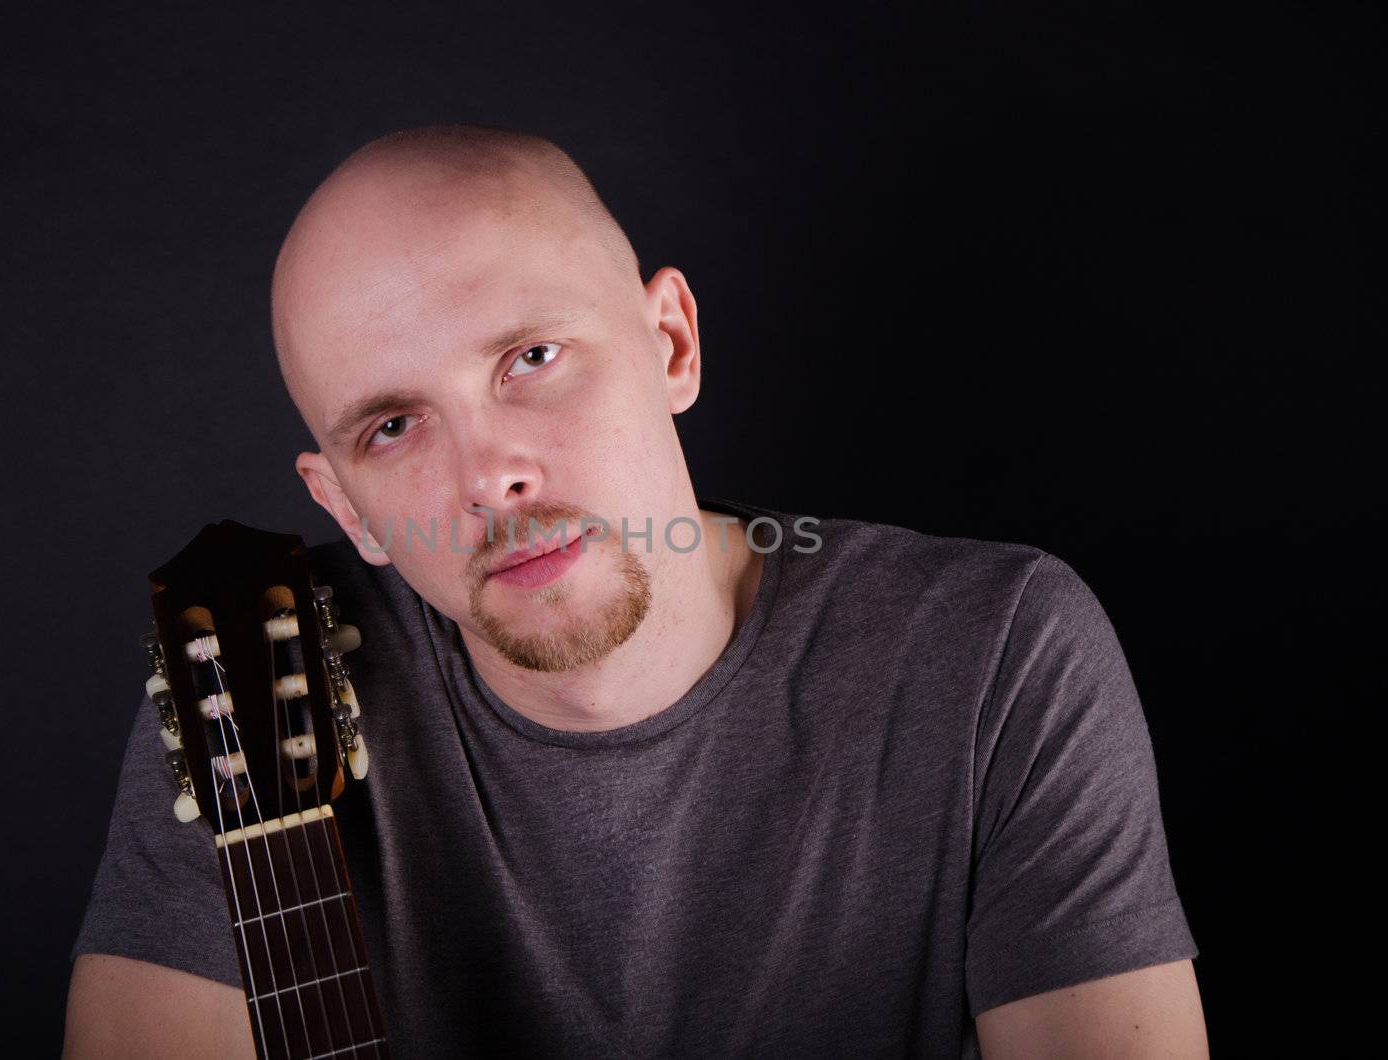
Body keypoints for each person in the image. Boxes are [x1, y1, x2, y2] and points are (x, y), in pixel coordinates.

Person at [63, 123, 1207, 1057]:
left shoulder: (992, 652)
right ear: (345, 504)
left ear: (670, 343)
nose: (487, 475)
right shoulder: (254, 680)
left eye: (530, 359)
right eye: (396, 425)